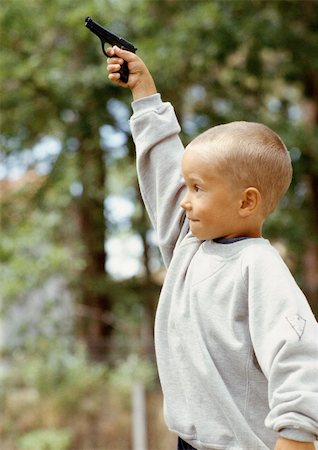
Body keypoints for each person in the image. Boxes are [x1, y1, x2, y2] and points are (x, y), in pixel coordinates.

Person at [106, 46, 318, 450]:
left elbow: (301, 358)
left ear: (246, 202)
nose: (184, 200)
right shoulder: (190, 248)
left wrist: (298, 437)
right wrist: (145, 95)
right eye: (187, 186)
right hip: (188, 442)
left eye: (198, 188)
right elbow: (166, 172)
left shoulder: (259, 268)